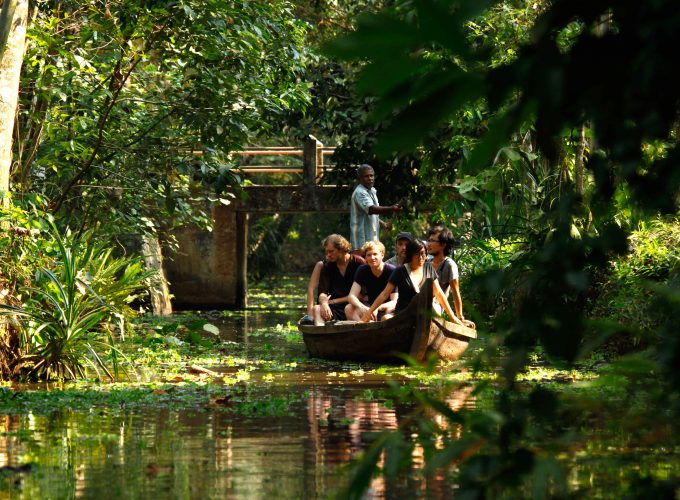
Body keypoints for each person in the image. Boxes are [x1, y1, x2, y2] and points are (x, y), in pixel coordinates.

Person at [360, 239, 465, 326]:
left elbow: (439, 294)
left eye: (423, 254)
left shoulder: (428, 268)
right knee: (385, 318)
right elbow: (384, 294)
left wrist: (453, 318)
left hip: (424, 314)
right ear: (410, 255)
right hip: (403, 313)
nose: (420, 258)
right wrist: (368, 314)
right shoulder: (400, 271)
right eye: (417, 255)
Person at [426, 225, 475, 328]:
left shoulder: (449, 265)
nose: (428, 244)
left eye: (432, 241)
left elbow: (455, 292)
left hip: (435, 306)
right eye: (428, 240)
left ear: (443, 244)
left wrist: (459, 317)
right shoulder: (426, 262)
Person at [314, 234, 365, 325]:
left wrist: (333, 301)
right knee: (317, 309)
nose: (328, 255)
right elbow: (322, 292)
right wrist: (324, 303)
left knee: (349, 308)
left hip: (355, 306)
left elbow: (362, 296)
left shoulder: (359, 263)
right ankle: (322, 337)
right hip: (335, 308)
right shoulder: (328, 266)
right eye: (327, 252)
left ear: (341, 249)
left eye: (331, 251)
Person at [349, 164, 401, 251]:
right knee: (361, 263)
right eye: (366, 176)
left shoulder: (372, 191)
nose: (370, 178)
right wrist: (392, 208)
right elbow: (371, 209)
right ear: (360, 179)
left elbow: (370, 214)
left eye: (371, 175)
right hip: (360, 242)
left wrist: (382, 224)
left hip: (372, 241)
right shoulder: (360, 192)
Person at [345, 240, 397, 321]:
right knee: (348, 308)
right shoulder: (362, 270)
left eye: (375, 254)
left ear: (382, 255)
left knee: (387, 315)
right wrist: (362, 307)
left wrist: (375, 308)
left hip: (387, 308)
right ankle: (364, 331)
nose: (372, 258)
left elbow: (394, 301)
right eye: (369, 255)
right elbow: (351, 296)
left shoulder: (391, 270)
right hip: (369, 307)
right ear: (365, 258)